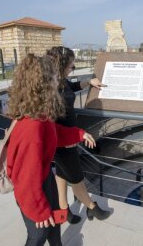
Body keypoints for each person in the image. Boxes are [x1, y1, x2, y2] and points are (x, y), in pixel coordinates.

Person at [5, 54, 95, 246]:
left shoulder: (38, 113)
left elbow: (53, 133)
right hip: (33, 188)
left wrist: (78, 134)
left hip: (44, 179)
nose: (58, 82)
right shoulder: (32, 125)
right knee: (39, 234)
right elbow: (25, 178)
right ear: (43, 83)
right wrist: (38, 210)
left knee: (54, 225)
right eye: (55, 78)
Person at [47, 46, 111, 223]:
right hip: (63, 141)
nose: (72, 69)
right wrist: (78, 134)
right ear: (61, 66)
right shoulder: (50, 89)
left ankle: (63, 209)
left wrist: (88, 83)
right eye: (71, 66)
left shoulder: (60, 81)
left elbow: (71, 87)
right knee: (76, 178)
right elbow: (52, 124)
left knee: (61, 172)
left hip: (68, 138)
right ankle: (93, 208)